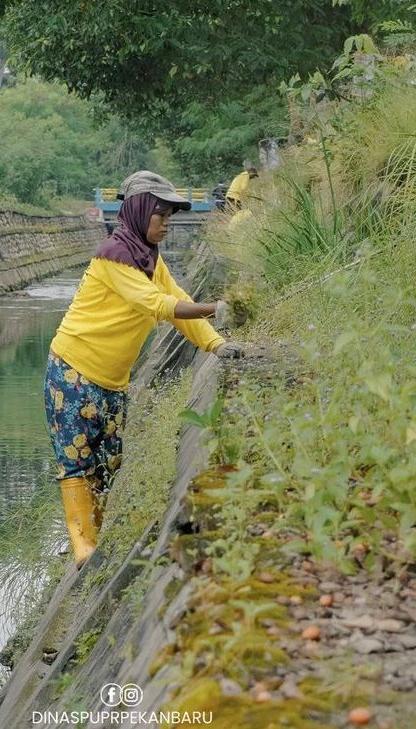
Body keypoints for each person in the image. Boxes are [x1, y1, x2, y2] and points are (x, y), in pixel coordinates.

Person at [44, 170, 246, 567]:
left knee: (107, 463)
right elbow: (159, 306)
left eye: (171, 216)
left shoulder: (150, 260)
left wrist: (216, 344)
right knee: (76, 459)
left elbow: (178, 303)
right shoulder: (113, 257)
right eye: (161, 215)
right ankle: (83, 547)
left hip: (112, 381)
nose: (167, 223)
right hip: (73, 370)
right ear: (138, 211)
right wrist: (214, 308)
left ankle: (93, 539)